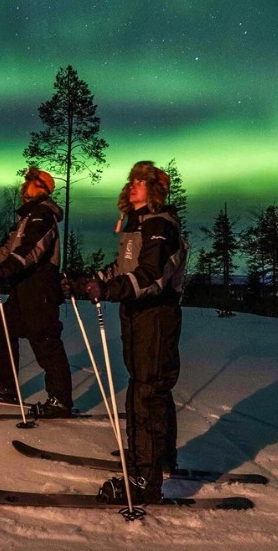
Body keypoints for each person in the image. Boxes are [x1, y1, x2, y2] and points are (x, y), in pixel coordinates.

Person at [69, 160, 185, 504]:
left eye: (142, 181)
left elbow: (149, 275)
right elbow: (123, 269)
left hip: (155, 314)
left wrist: (112, 289)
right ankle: (159, 460)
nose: (133, 185)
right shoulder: (138, 226)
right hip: (137, 314)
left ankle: (144, 481)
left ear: (155, 189)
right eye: (132, 180)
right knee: (150, 388)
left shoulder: (160, 224)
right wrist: (88, 283)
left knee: (145, 393)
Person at [0, 167, 74, 419]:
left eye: (28, 181)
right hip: (22, 287)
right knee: (3, 329)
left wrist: (6, 268)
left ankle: (60, 400)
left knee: (45, 341)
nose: (22, 185)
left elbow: (32, 249)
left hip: (40, 287)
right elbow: (10, 247)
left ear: (40, 187)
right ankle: (6, 387)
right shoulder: (26, 218)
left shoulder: (42, 214)